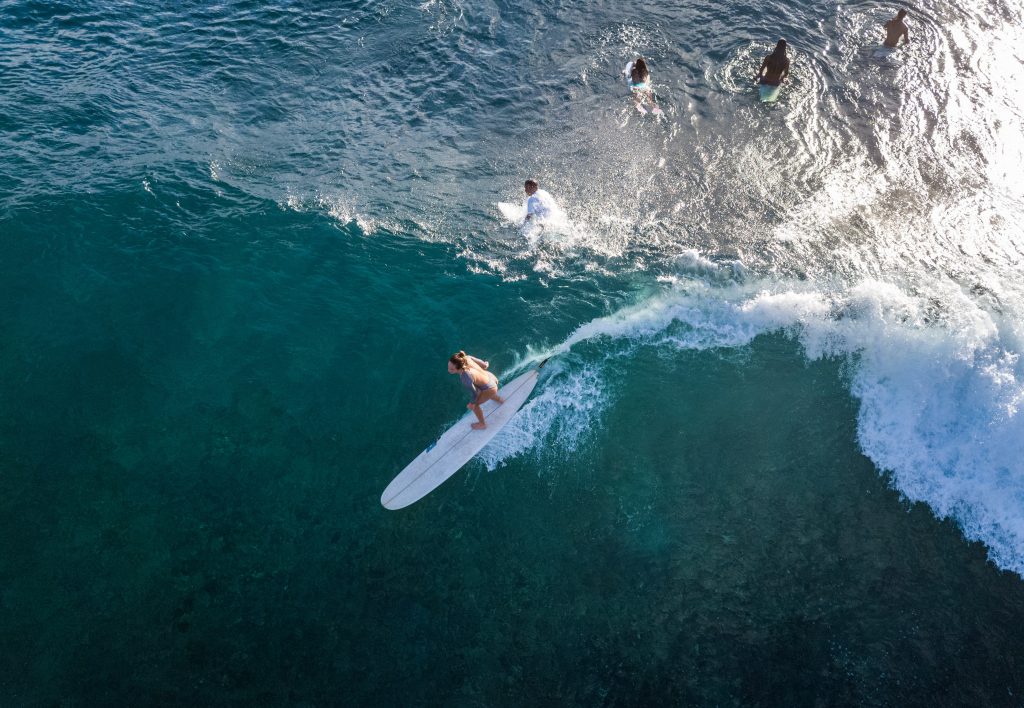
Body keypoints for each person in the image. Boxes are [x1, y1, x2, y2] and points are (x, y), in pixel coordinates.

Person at [448, 351, 504, 430]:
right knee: (481, 389)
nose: (448, 370)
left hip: (490, 388)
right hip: (492, 378)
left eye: (451, 369)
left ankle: (482, 424)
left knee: (475, 405)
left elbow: (474, 394)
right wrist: (486, 364)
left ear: (459, 368)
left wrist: (472, 403)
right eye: (448, 367)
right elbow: (485, 365)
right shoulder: (466, 358)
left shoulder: (465, 377)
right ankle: (500, 400)